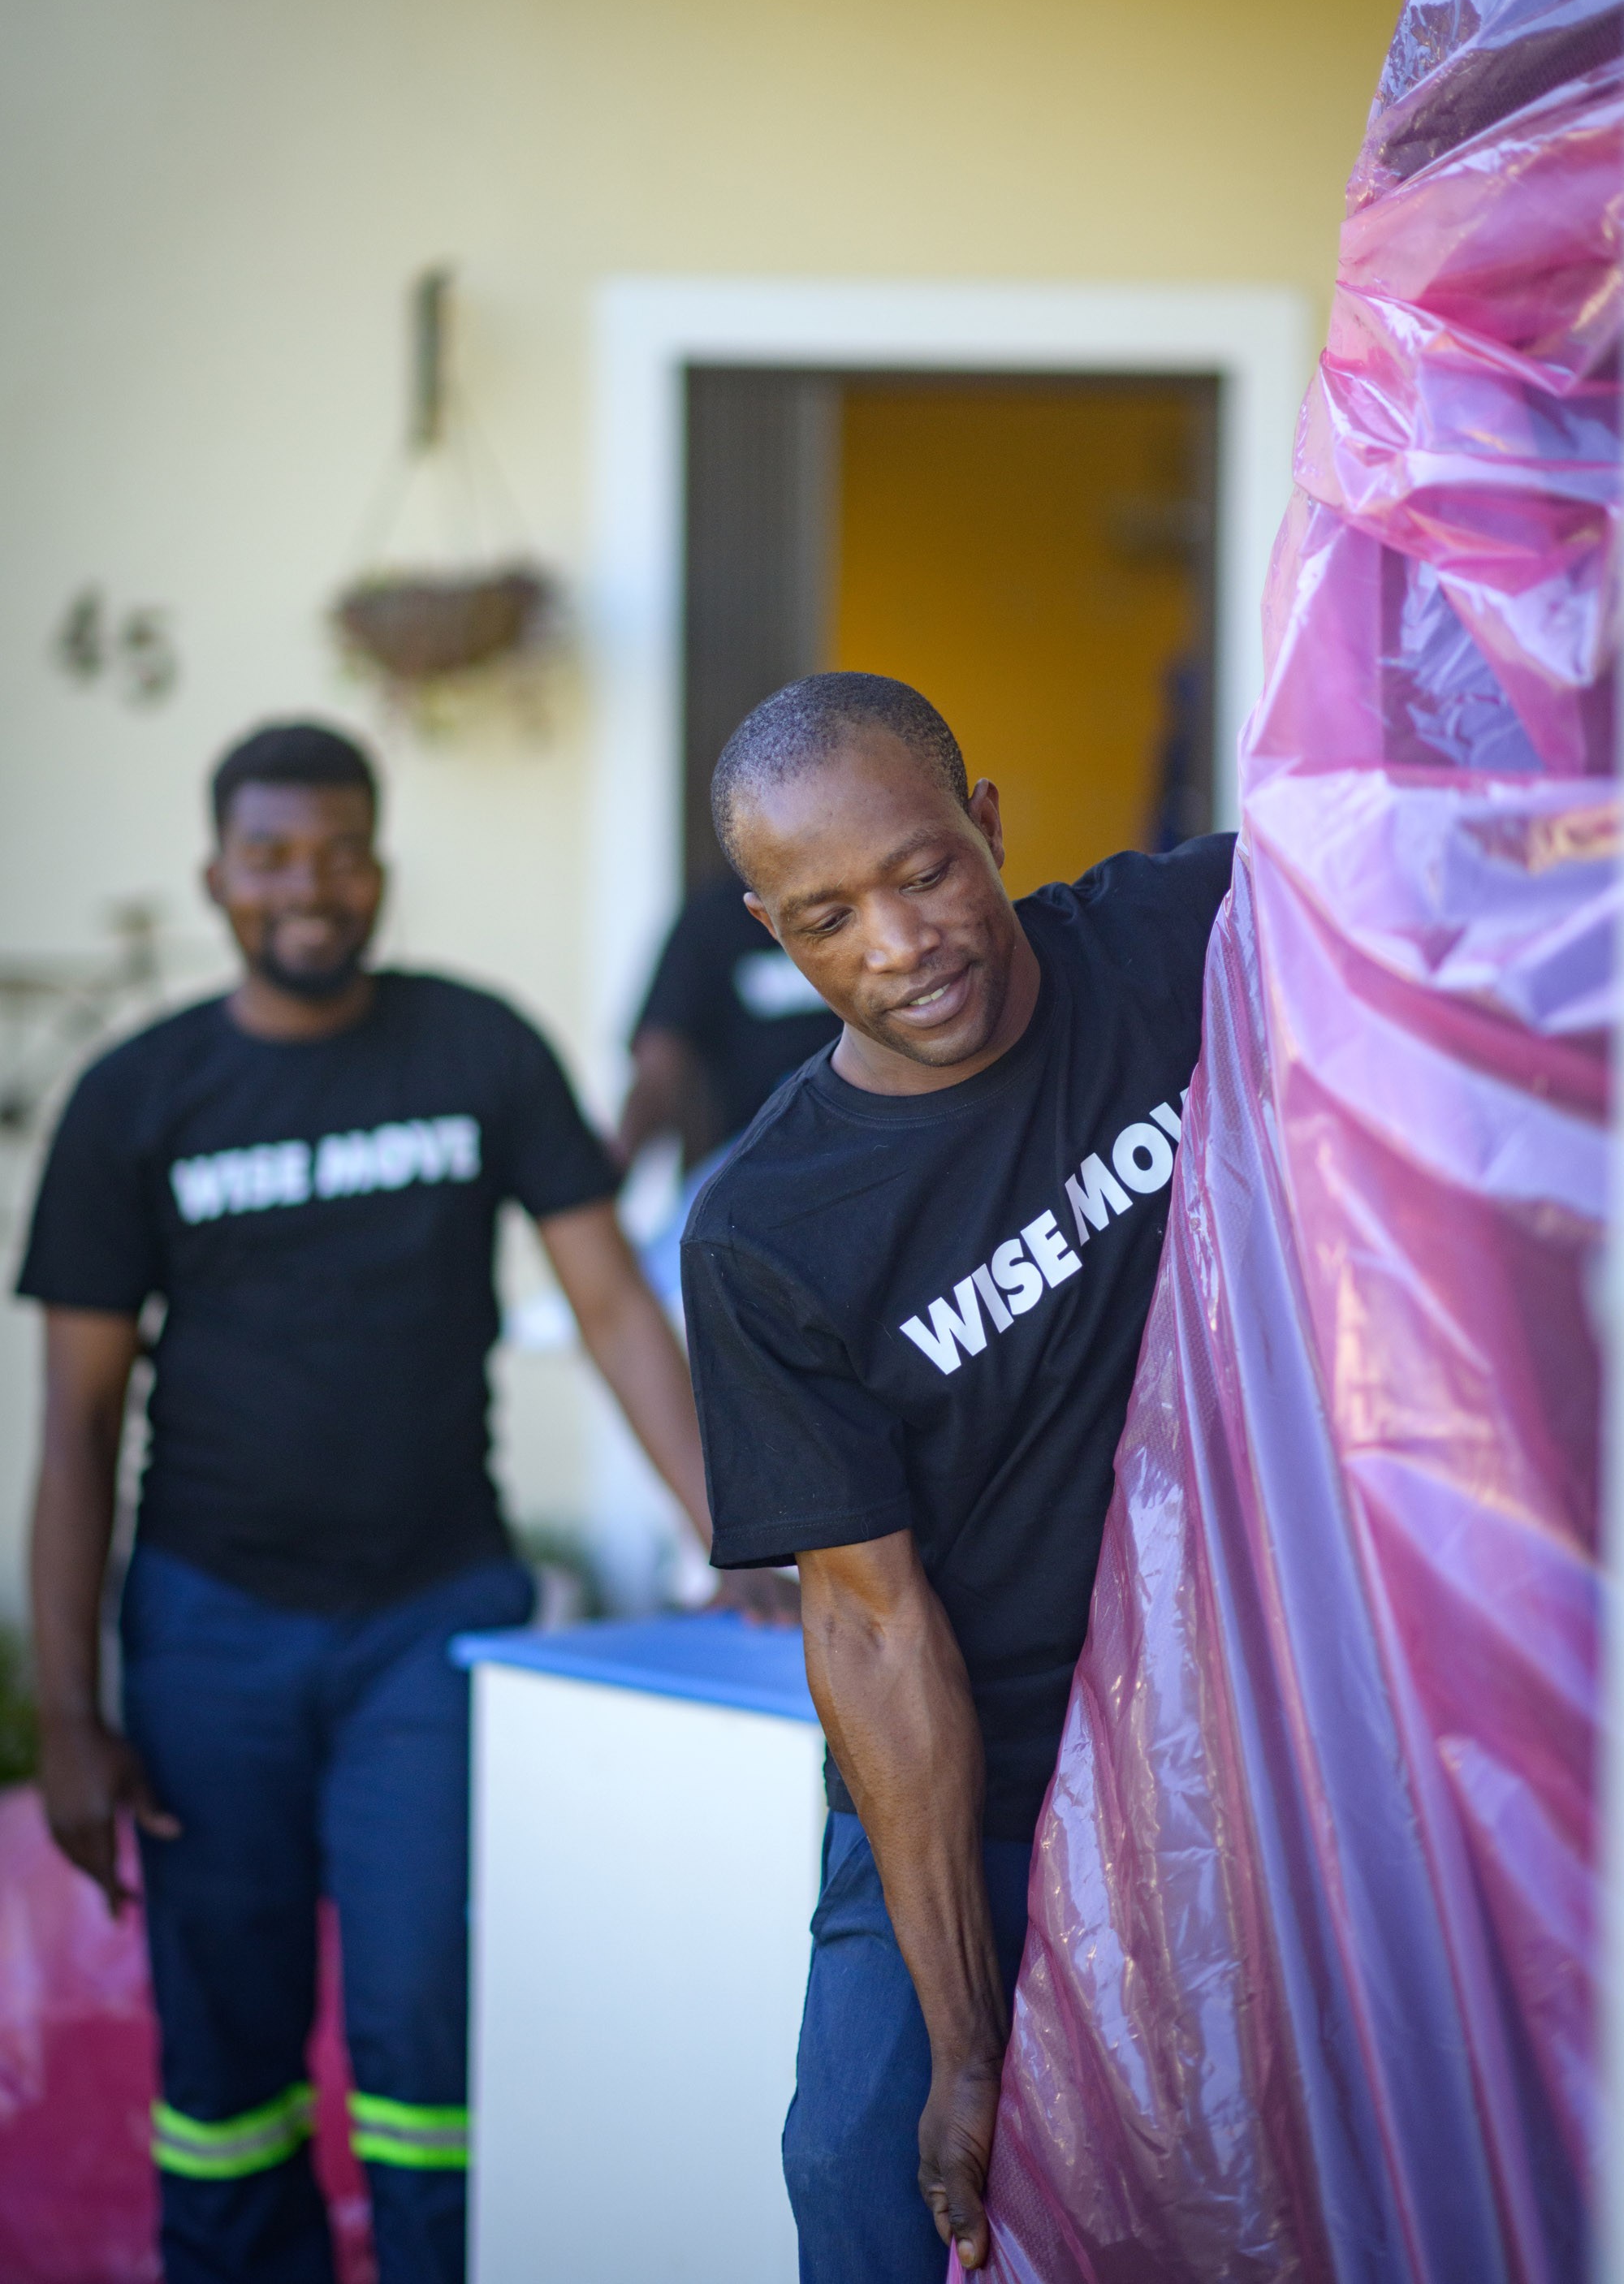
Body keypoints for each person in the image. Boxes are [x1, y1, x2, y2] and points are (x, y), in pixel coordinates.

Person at [18, 719, 743, 2284]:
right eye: (272, 856)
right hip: (209, 1631)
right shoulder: (137, 1097)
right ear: (216, 875)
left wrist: (732, 1532)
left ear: (379, 863)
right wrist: (70, 1707)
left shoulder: (476, 1047)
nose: (311, 885)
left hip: (432, 1620)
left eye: (342, 851)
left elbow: (613, 1304)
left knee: (430, 2029)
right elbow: (75, 1422)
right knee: (224, 2051)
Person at [680, 673, 1235, 2282]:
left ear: (985, 822)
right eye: (827, 918)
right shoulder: (767, 1231)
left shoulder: (1181, 932)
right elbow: (869, 1624)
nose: (900, 944)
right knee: (868, 2175)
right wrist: (965, 2042)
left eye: (924, 871)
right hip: (975, 1786)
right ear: (772, 931)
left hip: (1253, 1735)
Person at [616, 869, 836, 1172]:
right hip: (748, 1151)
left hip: (870, 1132)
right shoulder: (713, 919)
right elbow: (660, 1056)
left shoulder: (867, 912)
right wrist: (614, 1173)